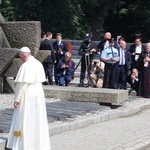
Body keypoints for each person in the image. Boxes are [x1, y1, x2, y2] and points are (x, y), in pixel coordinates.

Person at [6, 47, 51, 150]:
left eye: (20, 55)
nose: (20, 57)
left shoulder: (26, 65)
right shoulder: (38, 63)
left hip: (27, 96)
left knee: (24, 120)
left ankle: (22, 145)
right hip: (38, 96)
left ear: (25, 54)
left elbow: (22, 86)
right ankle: (36, 144)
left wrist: (17, 100)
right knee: (36, 120)